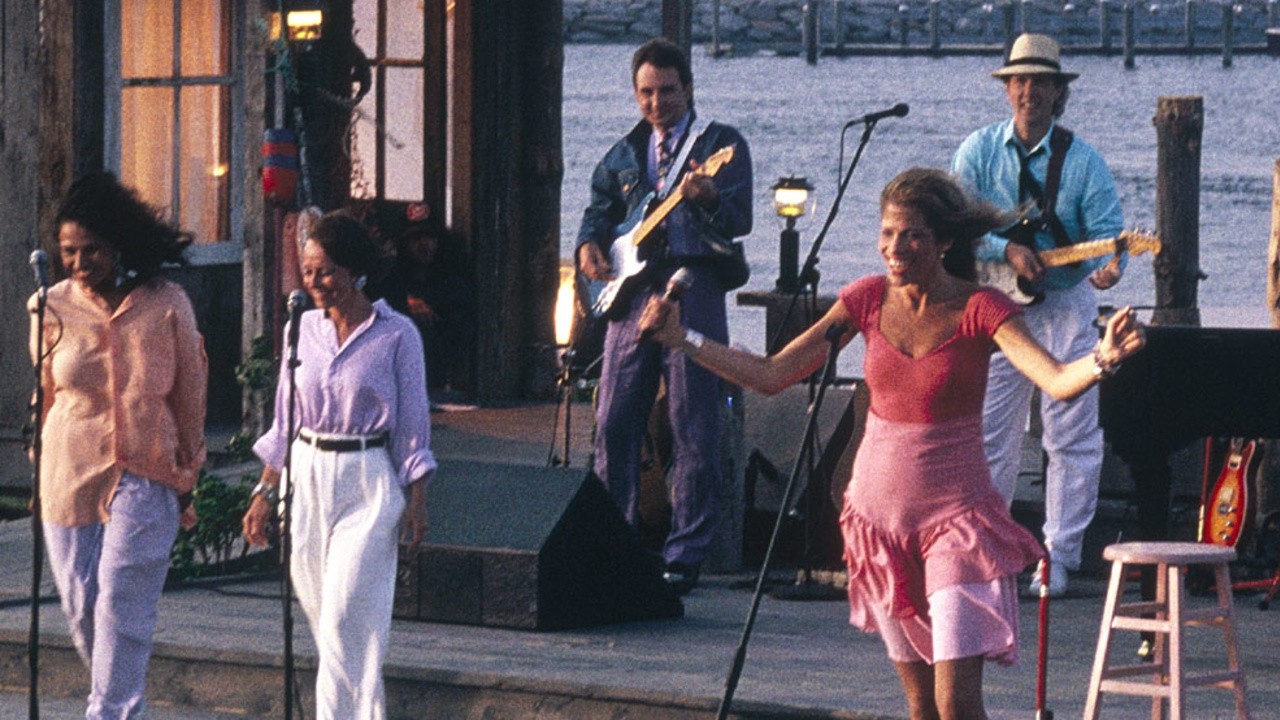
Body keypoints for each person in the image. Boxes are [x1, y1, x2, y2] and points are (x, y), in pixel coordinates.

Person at [638, 168, 1145, 719]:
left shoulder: (982, 307)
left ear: (943, 241)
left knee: (955, 705)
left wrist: (1103, 358)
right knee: (921, 708)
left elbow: (1056, 379)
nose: (895, 249)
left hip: (957, 524)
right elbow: (771, 373)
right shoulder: (866, 300)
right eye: (887, 234)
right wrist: (681, 337)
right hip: (878, 528)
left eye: (912, 236)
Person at [574, 38, 753, 595]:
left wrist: (707, 196)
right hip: (631, 291)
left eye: (667, 91)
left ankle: (685, 553)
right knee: (613, 418)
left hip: (692, 283)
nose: (657, 103)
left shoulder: (722, 144)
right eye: (646, 93)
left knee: (694, 420)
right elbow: (598, 212)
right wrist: (587, 247)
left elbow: (740, 217)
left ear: (689, 89)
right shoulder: (624, 152)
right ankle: (615, 539)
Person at [951, 33, 1126, 597]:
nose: (1029, 91)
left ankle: (1059, 558)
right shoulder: (977, 151)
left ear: (1057, 92)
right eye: (1020, 81)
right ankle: (986, 550)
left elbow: (1109, 235)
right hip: (996, 303)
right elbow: (957, 227)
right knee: (987, 431)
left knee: (1071, 434)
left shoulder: (1085, 161)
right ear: (1007, 89)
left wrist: (1110, 267)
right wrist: (1006, 250)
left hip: (1066, 303)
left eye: (1040, 82)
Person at [241, 211, 435, 720]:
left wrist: (417, 498)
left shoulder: (398, 334)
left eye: (325, 271)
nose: (314, 282)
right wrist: (264, 493)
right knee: (329, 627)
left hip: (368, 478)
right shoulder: (301, 329)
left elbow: (412, 426)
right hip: (306, 477)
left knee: (347, 618)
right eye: (308, 271)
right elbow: (285, 420)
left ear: (354, 269)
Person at [31, 172, 207, 719]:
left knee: (121, 604)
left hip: (147, 471)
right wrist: (36, 460)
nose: (79, 262)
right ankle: (121, 701)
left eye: (91, 250)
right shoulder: (48, 307)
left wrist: (189, 471)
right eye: (68, 252)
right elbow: (45, 393)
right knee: (82, 606)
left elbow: (190, 393)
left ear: (118, 244)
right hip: (68, 473)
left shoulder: (167, 303)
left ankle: (109, 712)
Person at [367, 202, 474, 395]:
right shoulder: (390, 279)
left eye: (429, 237)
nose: (424, 244)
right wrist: (405, 303)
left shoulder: (451, 280)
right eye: (415, 239)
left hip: (439, 378)